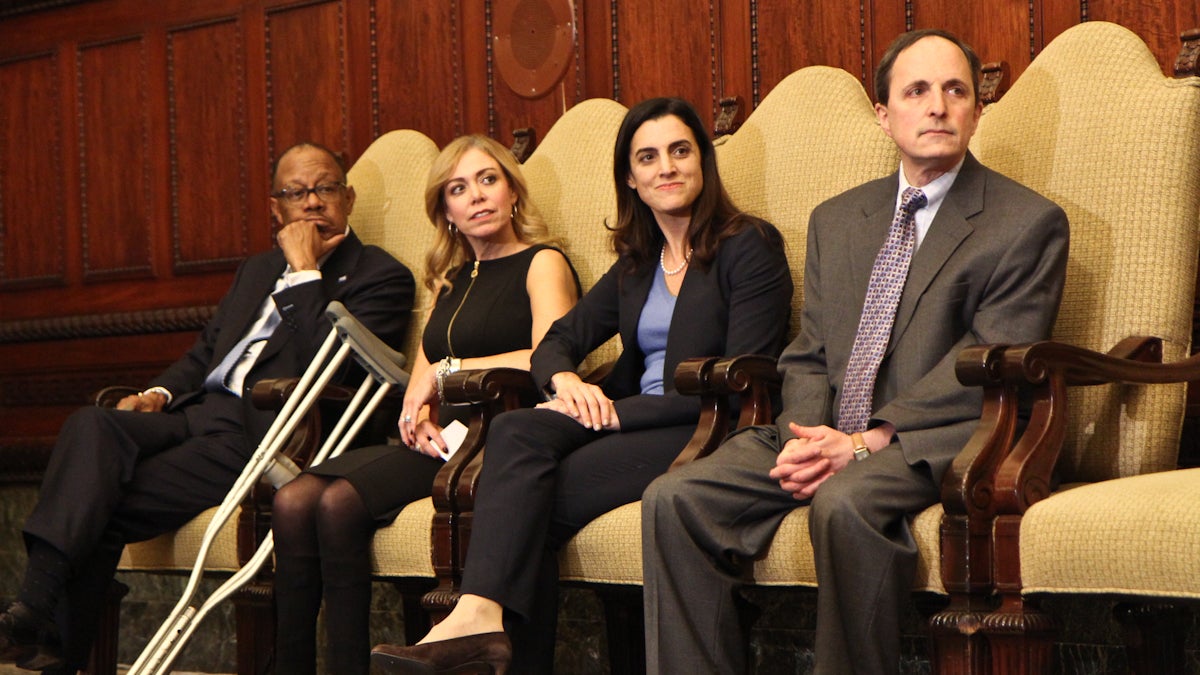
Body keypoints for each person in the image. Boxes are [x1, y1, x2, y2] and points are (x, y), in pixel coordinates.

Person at [641, 29, 1071, 674]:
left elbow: (989, 358)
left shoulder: (1026, 222)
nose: (937, 107)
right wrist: (806, 436)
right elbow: (809, 350)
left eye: (956, 91)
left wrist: (866, 442)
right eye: (917, 91)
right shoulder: (837, 218)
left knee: (845, 506)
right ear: (884, 114)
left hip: (941, 434)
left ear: (978, 111)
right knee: (673, 498)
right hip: (825, 427)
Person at [371, 97, 795, 674]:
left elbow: (743, 378)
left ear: (703, 162)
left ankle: (477, 625)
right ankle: (481, 620)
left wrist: (619, 415)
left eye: (679, 151)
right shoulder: (636, 263)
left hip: (706, 431)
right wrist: (566, 378)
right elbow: (554, 344)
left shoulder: (749, 245)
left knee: (523, 509)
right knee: (519, 429)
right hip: (626, 423)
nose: (665, 167)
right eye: (648, 157)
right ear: (631, 178)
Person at [0, 142, 416, 674]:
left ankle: (45, 632)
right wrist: (159, 394)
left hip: (268, 436)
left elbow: (334, 373)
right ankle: (36, 614)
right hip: (194, 417)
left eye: (325, 188)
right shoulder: (255, 270)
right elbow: (206, 352)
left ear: (348, 198)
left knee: (99, 506)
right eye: (295, 193)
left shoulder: (381, 276)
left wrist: (306, 271)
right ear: (275, 208)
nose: (312, 203)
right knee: (92, 424)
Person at [270, 134, 580, 675]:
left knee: (339, 503)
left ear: (512, 193)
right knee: (296, 499)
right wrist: (416, 419)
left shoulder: (542, 262)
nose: (477, 196)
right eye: (459, 189)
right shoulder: (450, 280)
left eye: (488, 180)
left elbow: (548, 358)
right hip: (443, 444)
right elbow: (419, 383)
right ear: (447, 211)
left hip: (502, 439)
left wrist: (446, 373)